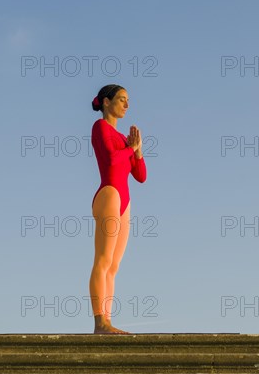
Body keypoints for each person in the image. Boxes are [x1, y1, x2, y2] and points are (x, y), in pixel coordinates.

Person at [89, 84, 147, 334]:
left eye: (128, 100)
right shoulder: (100, 127)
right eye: (122, 99)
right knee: (102, 260)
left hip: (125, 200)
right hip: (109, 194)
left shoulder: (124, 139)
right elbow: (113, 160)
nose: (127, 105)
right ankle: (99, 322)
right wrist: (130, 150)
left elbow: (141, 176)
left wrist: (138, 150)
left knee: (114, 266)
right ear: (106, 102)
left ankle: (108, 322)